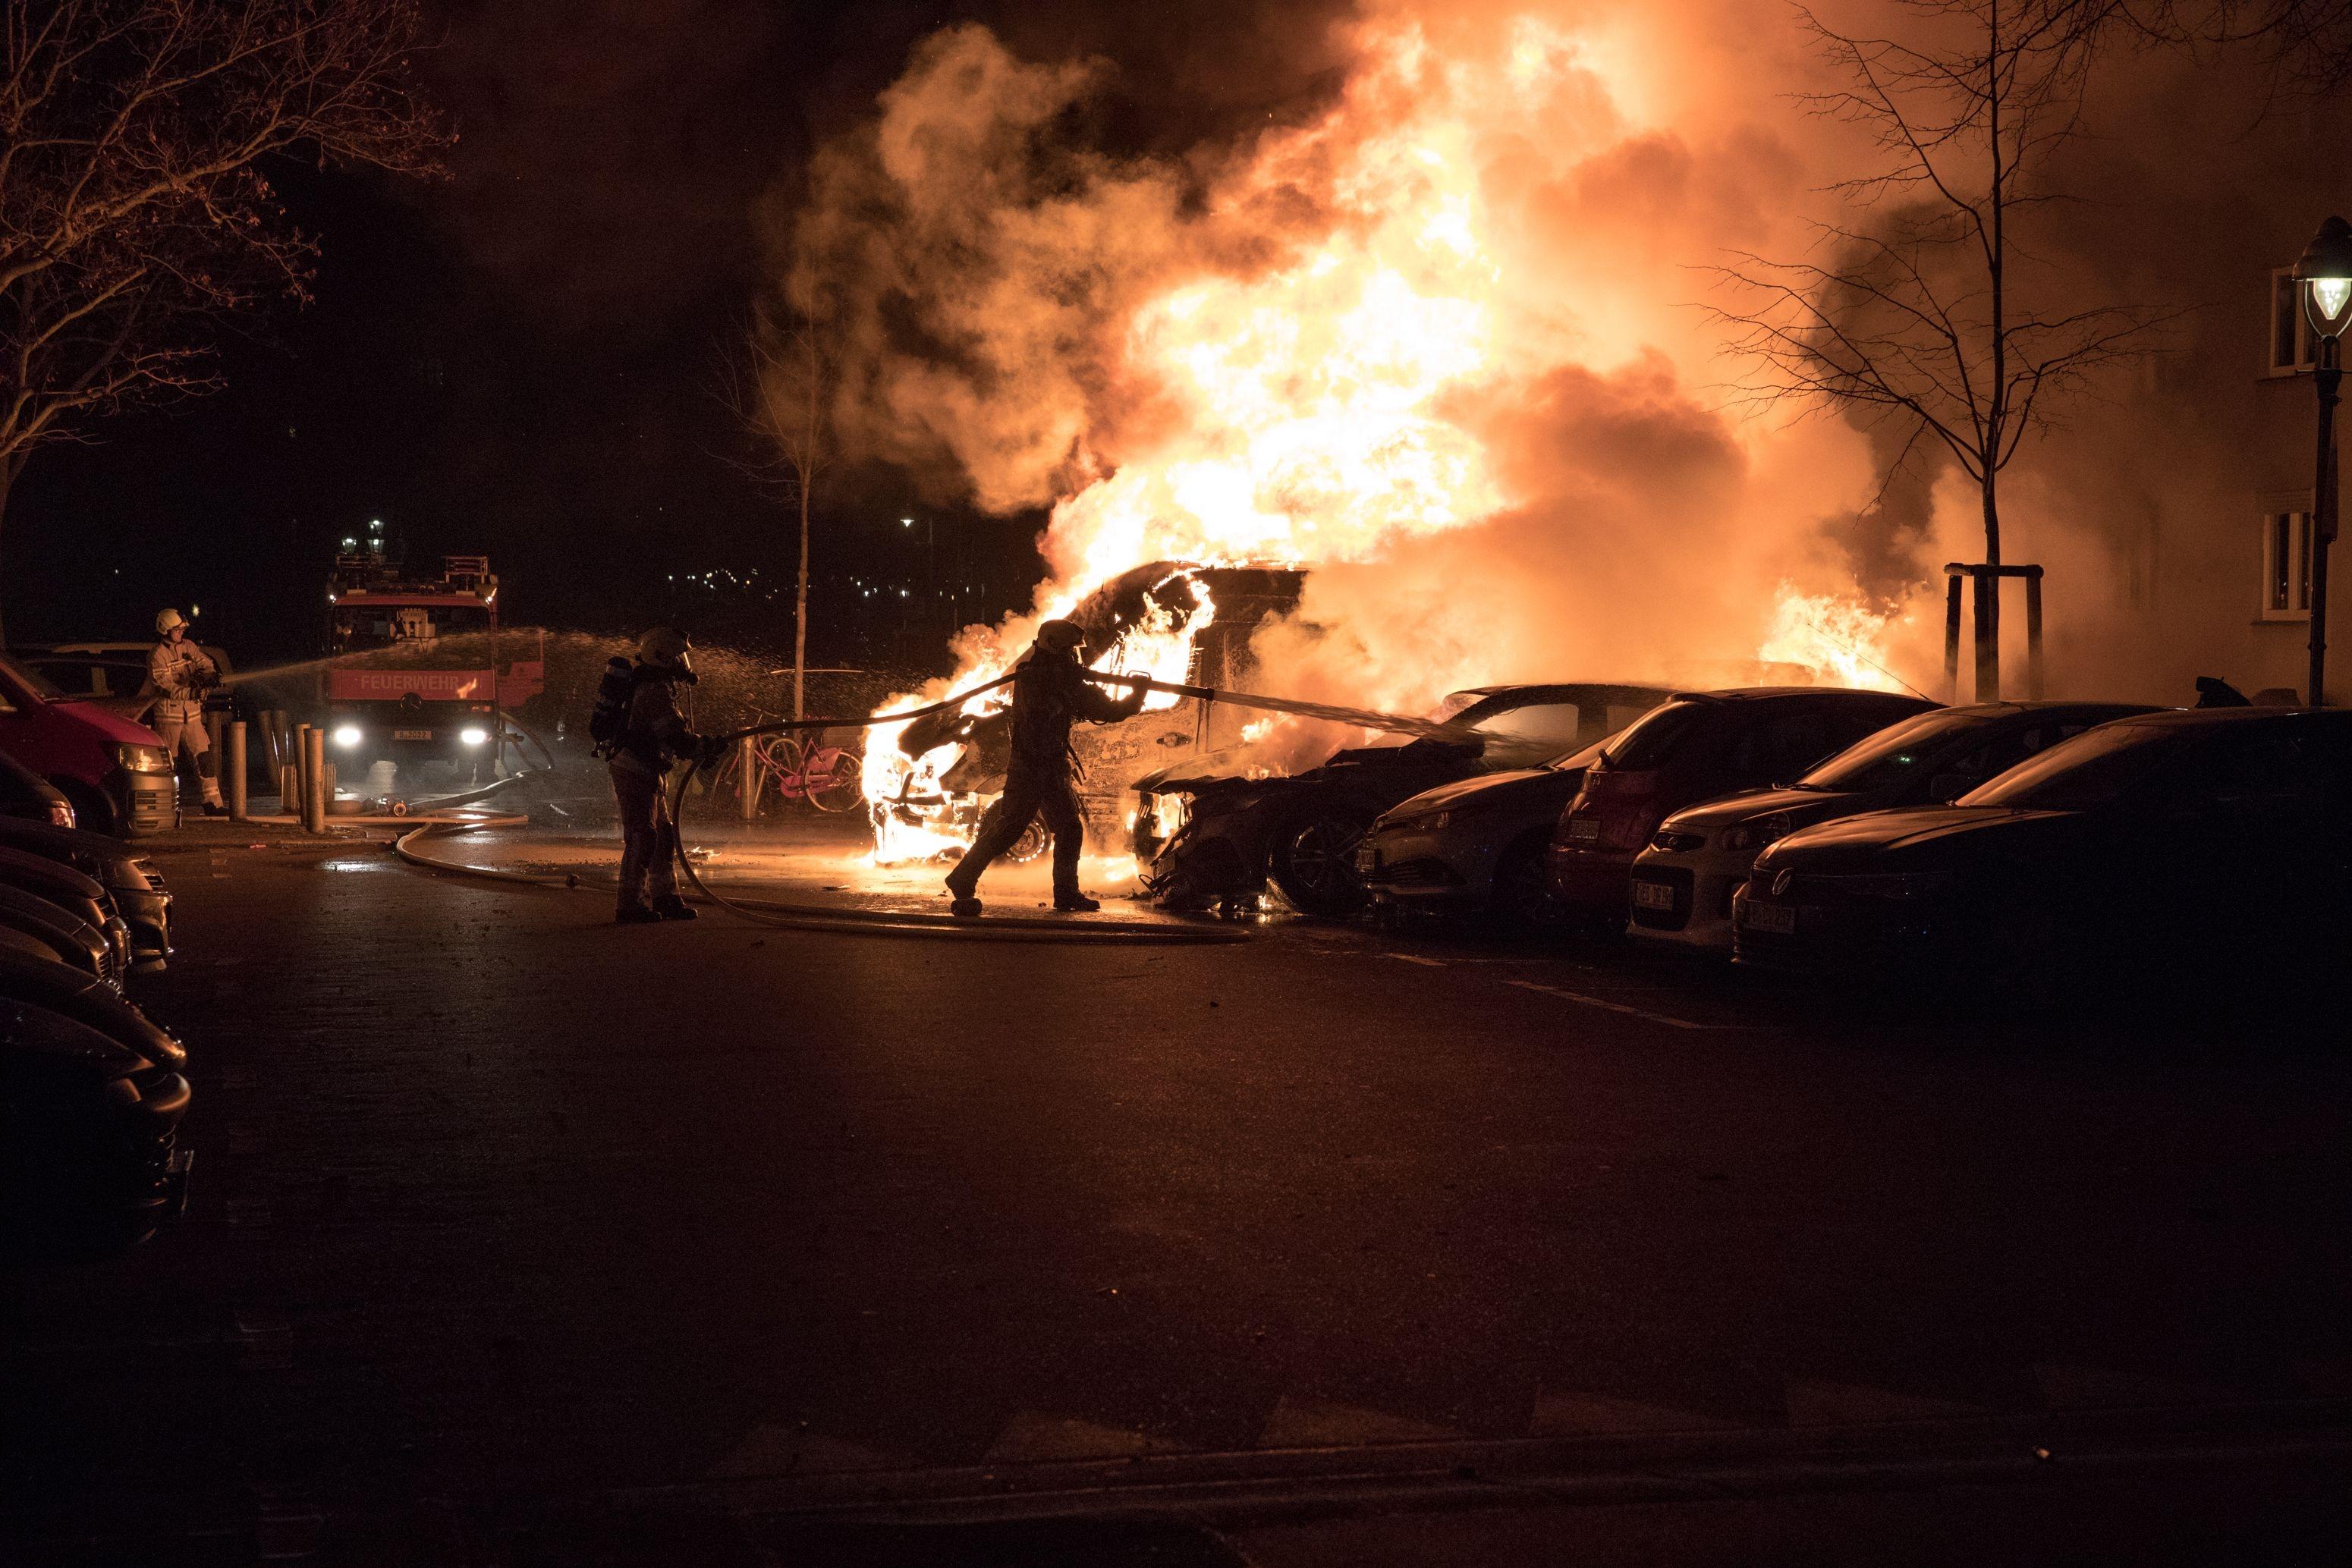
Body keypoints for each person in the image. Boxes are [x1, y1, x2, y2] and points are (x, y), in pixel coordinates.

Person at [945, 618, 1143, 916]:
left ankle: (1065, 893)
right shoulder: (1046, 677)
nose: (1073, 657)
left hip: (1045, 766)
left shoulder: (1046, 673)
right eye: (1069, 651)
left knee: (1067, 828)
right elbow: (1104, 709)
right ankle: (962, 878)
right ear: (1054, 646)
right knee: (1011, 829)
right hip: (1034, 767)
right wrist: (1137, 695)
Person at [611, 627, 718, 924]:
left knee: (662, 836)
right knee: (643, 836)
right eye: (678, 656)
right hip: (634, 768)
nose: (683, 662)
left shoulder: (659, 685)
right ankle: (629, 906)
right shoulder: (653, 690)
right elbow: (674, 736)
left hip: (650, 769)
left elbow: (674, 737)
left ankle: (666, 898)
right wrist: (705, 746)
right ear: (662, 655)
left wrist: (701, 748)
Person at [146, 608, 225, 816]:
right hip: (168, 719)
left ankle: (213, 803)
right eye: (178, 629)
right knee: (170, 766)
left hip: (193, 716)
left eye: (182, 629)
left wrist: (210, 676)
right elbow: (164, 686)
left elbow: (204, 662)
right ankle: (168, 807)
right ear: (165, 630)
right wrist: (191, 692)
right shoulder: (158, 655)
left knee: (204, 759)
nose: (182, 632)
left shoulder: (189, 646)